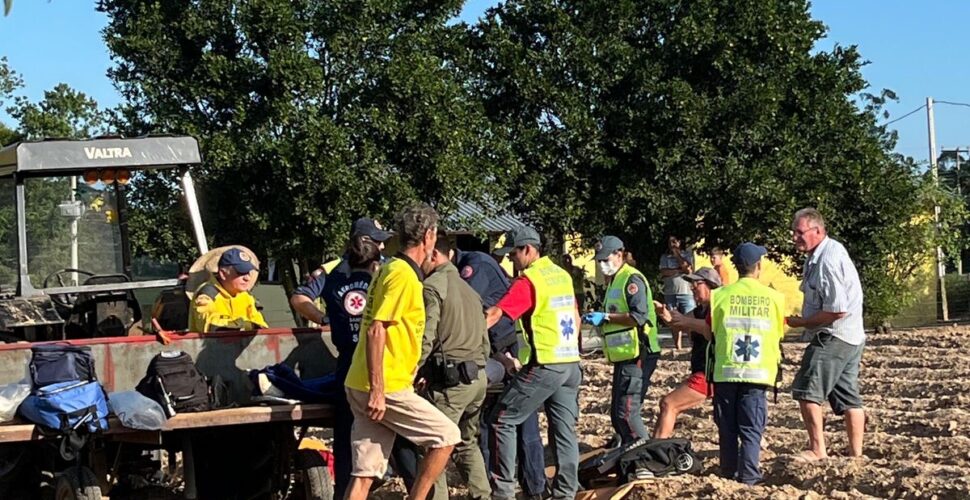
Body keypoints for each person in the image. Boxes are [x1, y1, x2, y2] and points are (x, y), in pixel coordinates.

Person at [343, 203, 460, 500]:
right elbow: (376, 330)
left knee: (364, 475)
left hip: (362, 381)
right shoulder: (403, 276)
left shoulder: (389, 269)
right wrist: (379, 390)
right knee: (447, 436)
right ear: (429, 236)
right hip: (386, 384)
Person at [668, 243, 785, 485]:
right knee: (751, 429)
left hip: (726, 372)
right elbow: (779, 331)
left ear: (737, 267)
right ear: (759, 267)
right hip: (757, 373)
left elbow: (711, 332)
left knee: (727, 428)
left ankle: (728, 474)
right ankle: (750, 478)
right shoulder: (774, 298)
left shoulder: (721, 296)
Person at [485, 226, 582, 500]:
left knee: (502, 419)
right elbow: (575, 316)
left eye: (513, 253)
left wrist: (468, 335)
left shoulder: (529, 281)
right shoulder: (561, 275)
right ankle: (565, 494)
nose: (510, 260)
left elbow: (496, 314)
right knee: (563, 431)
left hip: (545, 364)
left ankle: (503, 492)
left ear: (528, 249)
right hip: (570, 363)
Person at [288, 237, 381, 499]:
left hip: (348, 366)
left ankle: (345, 493)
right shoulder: (385, 279)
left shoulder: (333, 278)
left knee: (345, 438)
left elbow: (300, 296)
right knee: (391, 439)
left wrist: (322, 318)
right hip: (380, 364)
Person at [454, 245, 547, 499]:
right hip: (494, 349)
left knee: (518, 421)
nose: (510, 259)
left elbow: (472, 312)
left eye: (513, 253)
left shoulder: (475, 267)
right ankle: (497, 487)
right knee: (487, 422)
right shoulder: (460, 268)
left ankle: (533, 488)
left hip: (506, 348)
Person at [416, 231, 491, 500]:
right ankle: (483, 496)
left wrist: (413, 369)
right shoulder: (469, 290)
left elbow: (427, 335)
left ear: (434, 254)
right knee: (467, 444)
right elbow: (484, 341)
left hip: (451, 384)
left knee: (436, 447)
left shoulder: (432, 287)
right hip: (477, 379)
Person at [787, 208, 866, 461]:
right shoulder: (822, 253)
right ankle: (856, 455)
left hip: (834, 335)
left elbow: (837, 309)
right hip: (852, 336)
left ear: (817, 231)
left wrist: (804, 323)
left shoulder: (827, 260)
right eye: (794, 232)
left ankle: (817, 449)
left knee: (807, 392)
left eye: (800, 233)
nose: (795, 238)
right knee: (849, 398)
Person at [581, 236, 659, 445]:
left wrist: (605, 317)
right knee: (617, 414)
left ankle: (642, 455)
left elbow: (638, 317)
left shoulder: (631, 279)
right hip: (624, 355)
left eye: (605, 259)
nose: (602, 265)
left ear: (619, 254)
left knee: (627, 413)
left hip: (639, 352)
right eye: (599, 261)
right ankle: (627, 453)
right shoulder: (616, 280)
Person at [652, 267, 721, 438]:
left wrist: (685, 321)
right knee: (725, 418)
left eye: (695, 284)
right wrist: (665, 315)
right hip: (705, 371)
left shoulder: (719, 307)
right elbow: (680, 324)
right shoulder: (700, 310)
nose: (691, 288)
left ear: (709, 285)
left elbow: (710, 329)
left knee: (669, 404)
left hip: (710, 373)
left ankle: (655, 450)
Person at [290, 217, 392, 326]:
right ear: (364, 240)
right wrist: (323, 319)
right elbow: (299, 298)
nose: (382, 246)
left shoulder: (389, 266)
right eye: (378, 241)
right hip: (344, 341)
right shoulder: (331, 269)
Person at [189, 247, 268, 333]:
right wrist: (245, 325)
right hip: (211, 346)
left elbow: (261, 326)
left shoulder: (246, 296)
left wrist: (254, 327)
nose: (247, 278)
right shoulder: (207, 294)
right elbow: (210, 325)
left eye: (248, 272)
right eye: (240, 272)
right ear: (223, 274)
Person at [660, 235, 695, 349]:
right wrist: (679, 271)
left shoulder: (687, 255)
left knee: (690, 320)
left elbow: (688, 269)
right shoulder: (664, 257)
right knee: (673, 321)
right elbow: (664, 272)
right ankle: (677, 346)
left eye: (674, 241)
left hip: (686, 292)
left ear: (680, 242)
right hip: (670, 292)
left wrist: (677, 255)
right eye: (670, 242)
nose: (672, 244)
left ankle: (692, 345)